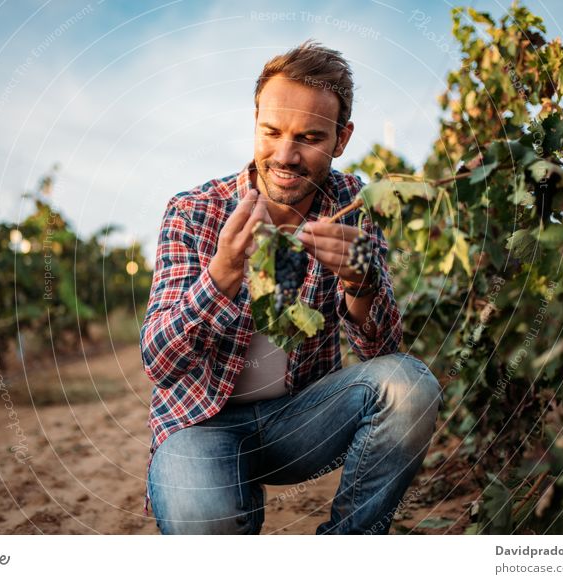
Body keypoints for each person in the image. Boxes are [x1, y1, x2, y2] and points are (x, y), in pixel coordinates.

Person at [139, 40, 443, 535]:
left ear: (342, 139)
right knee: (202, 517)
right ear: (254, 121)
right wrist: (221, 276)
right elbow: (158, 361)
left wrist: (360, 280)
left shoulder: (352, 205)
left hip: (300, 422)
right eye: (272, 131)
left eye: (310, 137)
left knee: (409, 385)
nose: (286, 154)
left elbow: (382, 352)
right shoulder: (195, 211)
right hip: (201, 427)